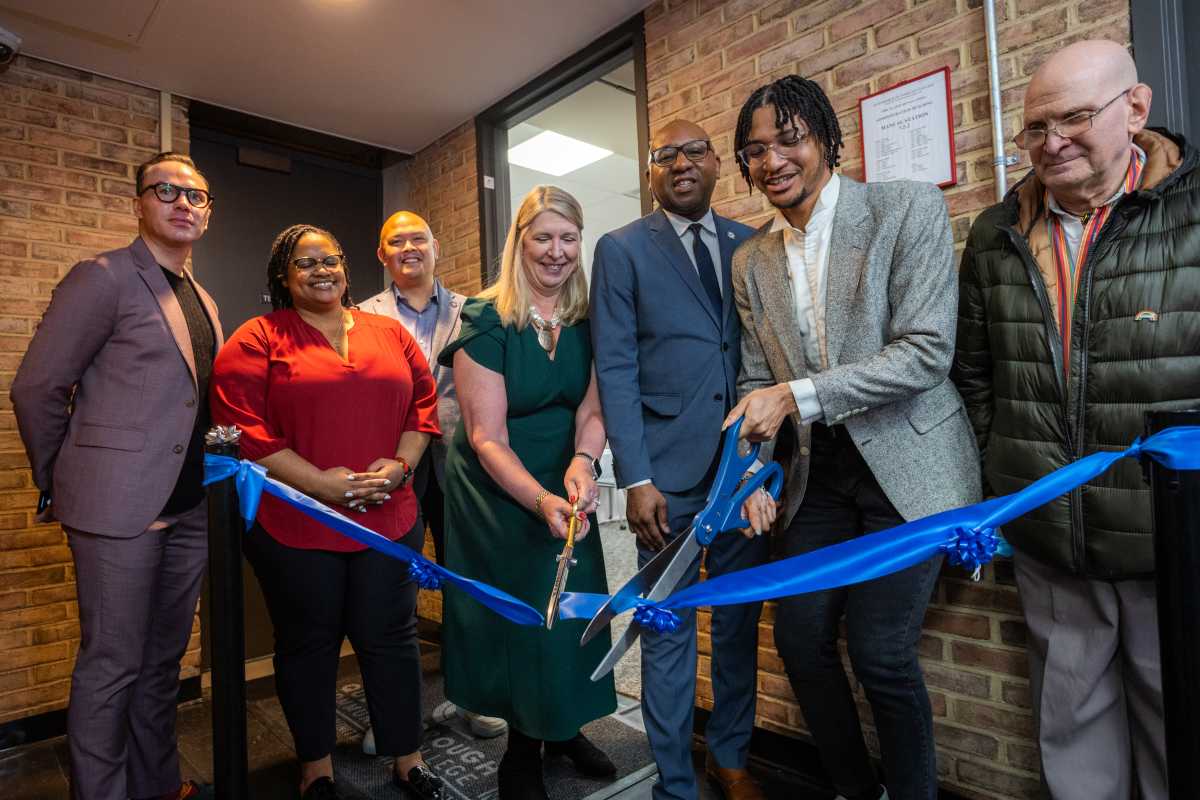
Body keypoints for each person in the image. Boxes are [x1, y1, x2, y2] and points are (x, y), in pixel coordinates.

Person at [953, 39, 1196, 800]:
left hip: (1171, 543)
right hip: (1051, 543)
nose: (1052, 142)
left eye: (1075, 119)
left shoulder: (1193, 209)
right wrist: (1005, 480)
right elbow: (975, 376)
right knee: (1072, 743)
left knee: (1180, 740)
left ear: (1135, 108)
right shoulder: (995, 234)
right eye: (1036, 127)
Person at [725, 75, 980, 800]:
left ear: (828, 140)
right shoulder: (751, 261)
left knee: (880, 654)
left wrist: (796, 395)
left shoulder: (906, 207)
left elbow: (926, 352)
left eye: (789, 139)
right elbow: (755, 381)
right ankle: (852, 789)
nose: (773, 160)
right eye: (755, 151)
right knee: (800, 641)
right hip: (818, 473)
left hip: (909, 463)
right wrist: (754, 478)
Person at [11, 152, 221, 800]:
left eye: (196, 195)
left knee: (161, 666)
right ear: (138, 204)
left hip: (189, 509)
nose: (183, 203)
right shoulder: (101, 278)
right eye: (166, 190)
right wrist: (63, 478)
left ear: (207, 213)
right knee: (111, 666)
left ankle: (156, 784)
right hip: (118, 512)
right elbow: (37, 388)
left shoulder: (203, 299)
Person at [210, 224, 444, 800]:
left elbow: (423, 407)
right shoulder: (257, 338)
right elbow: (243, 427)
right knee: (307, 645)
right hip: (297, 523)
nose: (321, 271)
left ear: (345, 266)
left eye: (330, 259)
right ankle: (316, 767)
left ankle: (408, 758)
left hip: (388, 520)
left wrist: (402, 468)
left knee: (392, 638)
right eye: (305, 262)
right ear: (283, 276)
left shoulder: (389, 332)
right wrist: (320, 485)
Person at [590, 119, 769, 800]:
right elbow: (616, 367)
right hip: (664, 478)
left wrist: (760, 464)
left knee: (737, 625)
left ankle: (730, 758)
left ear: (719, 164)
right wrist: (635, 477)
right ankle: (674, 781)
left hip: (741, 470)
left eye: (695, 151)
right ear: (650, 173)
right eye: (666, 155)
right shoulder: (621, 249)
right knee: (667, 632)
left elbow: (762, 354)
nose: (682, 163)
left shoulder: (751, 245)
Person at [438, 185, 616, 800]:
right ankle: (522, 748)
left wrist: (585, 463)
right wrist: (539, 500)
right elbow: (485, 437)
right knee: (525, 617)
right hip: (500, 489)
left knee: (570, 612)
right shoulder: (486, 318)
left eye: (569, 238)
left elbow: (594, 409)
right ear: (520, 241)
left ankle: (563, 727)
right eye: (543, 237)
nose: (556, 251)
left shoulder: (589, 317)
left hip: (567, 477)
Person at [359, 211, 507, 742]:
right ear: (382, 254)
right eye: (396, 241)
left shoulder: (476, 310)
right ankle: (391, 718)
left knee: (467, 584)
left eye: (418, 238)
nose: (409, 248)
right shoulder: (361, 316)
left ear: (436, 246)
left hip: (461, 462)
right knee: (387, 590)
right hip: (393, 464)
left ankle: (471, 698)